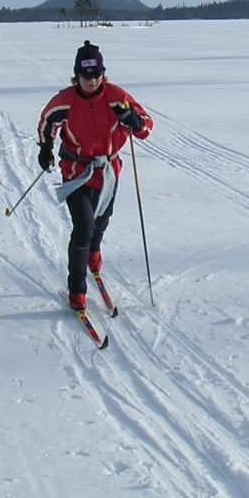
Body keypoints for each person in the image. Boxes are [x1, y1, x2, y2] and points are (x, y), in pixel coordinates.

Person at [36, 39, 153, 311]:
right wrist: (45, 149)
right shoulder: (65, 101)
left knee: (102, 221)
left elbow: (146, 128)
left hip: (108, 172)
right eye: (85, 75)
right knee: (83, 228)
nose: (91, 81)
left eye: (96, 74)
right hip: (76, 171)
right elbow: (47, 123)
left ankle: (94, 251)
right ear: (76, 74)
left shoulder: (116, 97)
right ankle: (77, 291)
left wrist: (134, 122)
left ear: (103, 73)